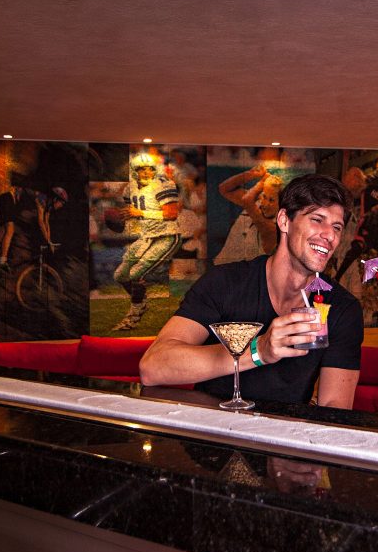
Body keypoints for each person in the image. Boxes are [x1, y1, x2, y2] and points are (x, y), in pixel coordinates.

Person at [141, 174, 363, 408]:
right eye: (317, 219)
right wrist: (259, 351)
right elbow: (152, 367)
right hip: (211, 435)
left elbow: (335, 408)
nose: (329, 235)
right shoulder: (224, 282)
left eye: (337, 227)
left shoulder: (341, 308)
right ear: (284, 220)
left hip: (282, 439)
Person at [111, 153, 183, 330]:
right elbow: (132, 210)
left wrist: (141, 213)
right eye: (141, 169)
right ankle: (141, 301)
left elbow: (171, 214)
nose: (146, 172)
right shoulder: (130, 189)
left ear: (154, 170)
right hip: (146, 237)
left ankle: (133, 316)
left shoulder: (163, 184)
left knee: (136, 273)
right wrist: (120, 217)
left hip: (167, 235)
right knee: (120, 275)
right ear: (134, 171)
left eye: (149, 169)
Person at [214, 164, 284, 265]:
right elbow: (224, 188)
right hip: (221, 268)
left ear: (281, 204)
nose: (265, 203)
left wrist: (261, 183)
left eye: (271, 200)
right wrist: (251, 174)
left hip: (243, 277)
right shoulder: (257, 202)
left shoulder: (272, 229)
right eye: (264, 196)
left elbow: (247, 200)